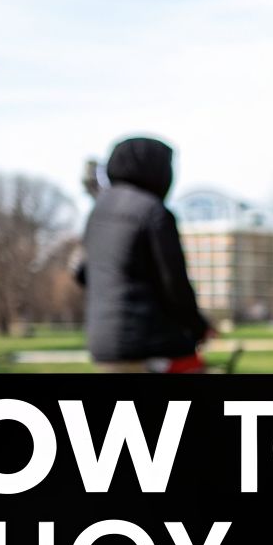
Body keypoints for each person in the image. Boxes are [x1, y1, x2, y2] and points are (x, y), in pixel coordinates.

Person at [77, 136, 211, 373]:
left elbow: (83, 272)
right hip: (150, 343)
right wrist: (199, 327)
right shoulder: (152, 211)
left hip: (103, 345)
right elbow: (174, 283)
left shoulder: (96, 212)